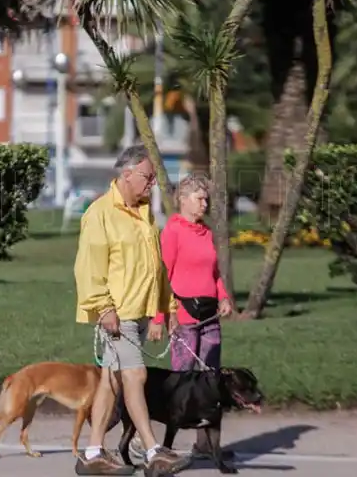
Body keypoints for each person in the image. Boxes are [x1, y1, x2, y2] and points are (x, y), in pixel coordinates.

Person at [73, 145, 191, 476]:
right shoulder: (99, 213)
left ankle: (93, 453)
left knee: (111, 381)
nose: (152, 183)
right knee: (135, 375)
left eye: (153, 177)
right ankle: (153, 451)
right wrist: (103, 307)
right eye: (148, 176)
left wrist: (167, 306)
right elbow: (88, 269)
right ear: (126, 175)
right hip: (116, 313)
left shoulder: (145, 214)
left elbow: (157, 265)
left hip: (139, 310)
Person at [150, 173, 235, 458]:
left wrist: (223, 295)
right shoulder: (172, 231)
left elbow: (214, 273)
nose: (204, 203)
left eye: (207, 199)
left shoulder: (207, 233)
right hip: (184, 316)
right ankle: (165, 446)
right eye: (200, 198)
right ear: (183, 200)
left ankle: (208, 446)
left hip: (210, 317)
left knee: (212, 382)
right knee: (183, 384)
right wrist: (161, 318)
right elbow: (163, 277)